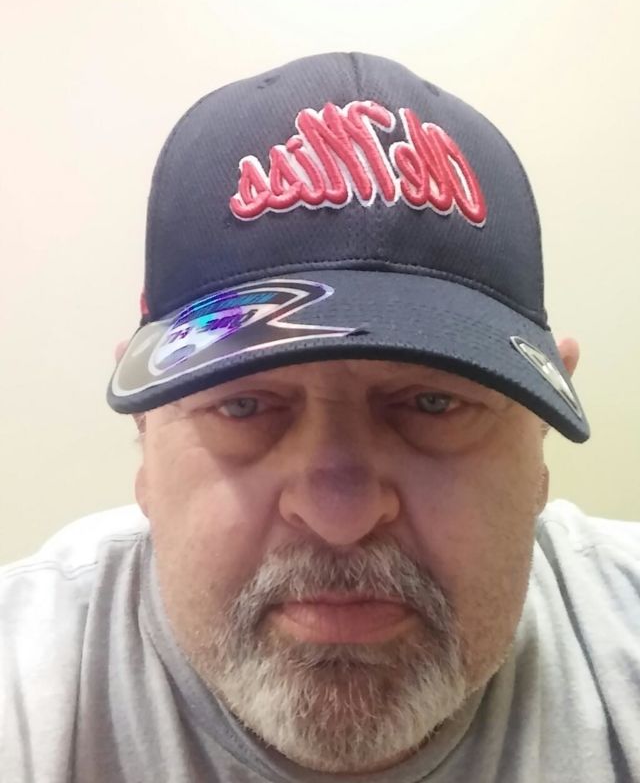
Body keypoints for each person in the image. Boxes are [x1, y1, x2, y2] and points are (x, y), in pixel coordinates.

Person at [2, 52, 638, 783]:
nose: (340, 515)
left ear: (539, 431)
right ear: (147, 431)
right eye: (244, 405)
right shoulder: (31, 684)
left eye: (433, 403)